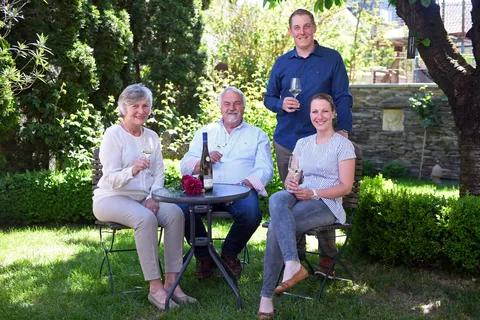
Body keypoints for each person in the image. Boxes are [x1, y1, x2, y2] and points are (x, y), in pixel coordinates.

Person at [264, 8, 353, 275]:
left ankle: (328, 257)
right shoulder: (282, 63)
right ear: (290, 31)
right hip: (288, 140)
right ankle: (296, 258)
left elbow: (343, 97)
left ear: (314, 28)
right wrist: (281, 103)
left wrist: (344, 129)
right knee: (293, 196)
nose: (301, 32)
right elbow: (268, 97)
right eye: (296, 27)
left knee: (321, 195)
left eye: (306, 26)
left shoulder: (331, 59)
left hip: (323, 140)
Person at [93, 84, 196, 310]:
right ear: (124, 108)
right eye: (135, 106)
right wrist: (131, 170)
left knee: (176, 214)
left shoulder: (151, 137)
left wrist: (153, 196)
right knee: (146, 219)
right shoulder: (113, 134)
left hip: (143, 198)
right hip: (111, 197)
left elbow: (159, 173)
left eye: (145, 105)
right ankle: (155, 288)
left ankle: (172, 282)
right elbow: (109, 178)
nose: (141, 110)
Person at [257, 94, 356, 319]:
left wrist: (314, 193)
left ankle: (266, 297)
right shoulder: (302, 143)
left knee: (275, 227)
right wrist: (291, 182)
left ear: (333, 113)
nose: (319, 116)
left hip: (325, 203)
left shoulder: (343, 145)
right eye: (314, 111)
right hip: (301, 194)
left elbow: (346, 187)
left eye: (324, 111)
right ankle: (292, 262)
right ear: (309, 115)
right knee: (277, 198)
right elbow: (293, 175)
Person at [179, 86, 274, 279]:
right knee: (180, 209)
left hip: (239, 192)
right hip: (206, 191)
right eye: (227, 104)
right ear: (220, 107)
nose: (232, 108)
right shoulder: (205, 131)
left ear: (243, 107)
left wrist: (245, 185)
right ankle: (204, 256)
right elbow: (185, 164)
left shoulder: (257, 135)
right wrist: (201, 162)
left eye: (237, 103)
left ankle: (229, 253)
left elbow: (265, 169)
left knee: (251, 212)